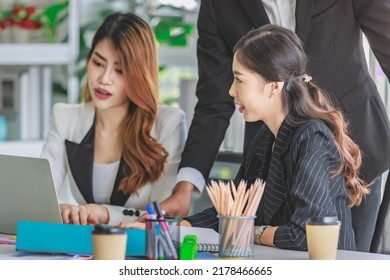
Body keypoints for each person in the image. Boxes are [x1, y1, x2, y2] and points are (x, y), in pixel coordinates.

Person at [160, 0, 390, 252]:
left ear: (273, 85)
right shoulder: (264, 141)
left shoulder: (313, 141)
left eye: (238, 80)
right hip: (276, 137)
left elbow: (306, 235)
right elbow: (234, 210)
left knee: (352, 258)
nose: (231, 90)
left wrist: (251, 232)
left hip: (357, 142)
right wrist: (178, 223)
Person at [41, 12, 187, 226]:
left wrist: (105, 213)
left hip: (141, 248)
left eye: (119, 70)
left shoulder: (169, 123)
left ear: (139, 74)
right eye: (98, 63)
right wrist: (60, 207)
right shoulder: (65, 117)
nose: (104, 79)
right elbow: (42, 196)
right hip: (84, 248)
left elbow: (164, 210)